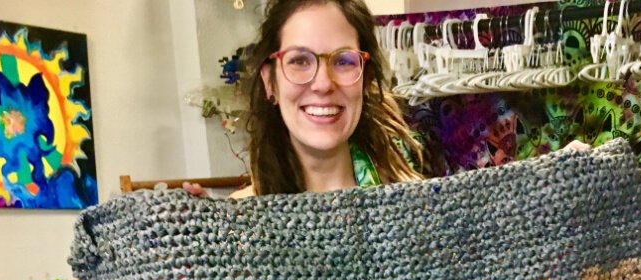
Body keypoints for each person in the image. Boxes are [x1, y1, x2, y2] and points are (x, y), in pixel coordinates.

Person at [183, 0, 589, 199]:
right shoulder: (239, 224)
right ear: (270, 82)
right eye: (300, 61)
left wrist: (553, 183)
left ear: (366, 77)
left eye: (342, 61)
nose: (323, 83)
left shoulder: (414, 204)